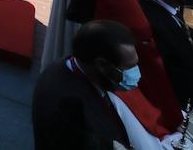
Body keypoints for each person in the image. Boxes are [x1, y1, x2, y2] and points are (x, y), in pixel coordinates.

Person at [31, 20, 137, 150]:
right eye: (128, 68)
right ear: (101, 64)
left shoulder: (73, 67)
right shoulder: (64, 107)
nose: (135, 73)